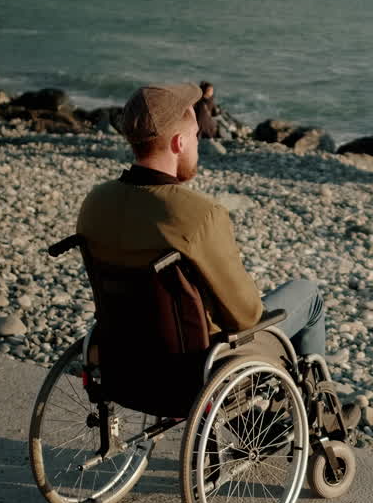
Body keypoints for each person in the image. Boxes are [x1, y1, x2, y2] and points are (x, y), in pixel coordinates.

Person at [77, 82, 357, 430]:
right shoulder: (197, 214)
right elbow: (245, 316)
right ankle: (324, 420)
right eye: (196, 136)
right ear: (178, 143)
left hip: (125, 362)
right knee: (308, 296)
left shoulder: (95, 203)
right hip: (194, 370)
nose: (198, 144)